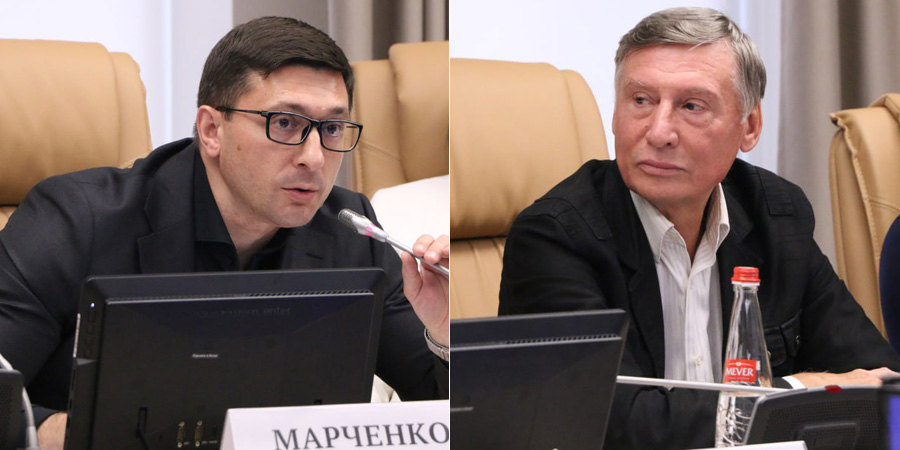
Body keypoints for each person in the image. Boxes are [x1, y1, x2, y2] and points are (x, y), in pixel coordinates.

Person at [0, 17, 448, 449]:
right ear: (211, 129)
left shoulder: (351, 230)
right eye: (285, 123)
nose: (314, 157)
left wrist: (442, 332)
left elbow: (445, 408)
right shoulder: (76, 220)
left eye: (331, 128)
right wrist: (74, 434)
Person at [498, 7, 900, 450]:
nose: (659, 132)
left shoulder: (776, 215)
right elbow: (609, 423)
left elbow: (877, 382)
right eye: (641, 101)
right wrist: (799, 391)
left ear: (749, 127)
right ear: (614, 115)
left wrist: (819, 395)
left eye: (692, 106)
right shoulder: (555, 238)